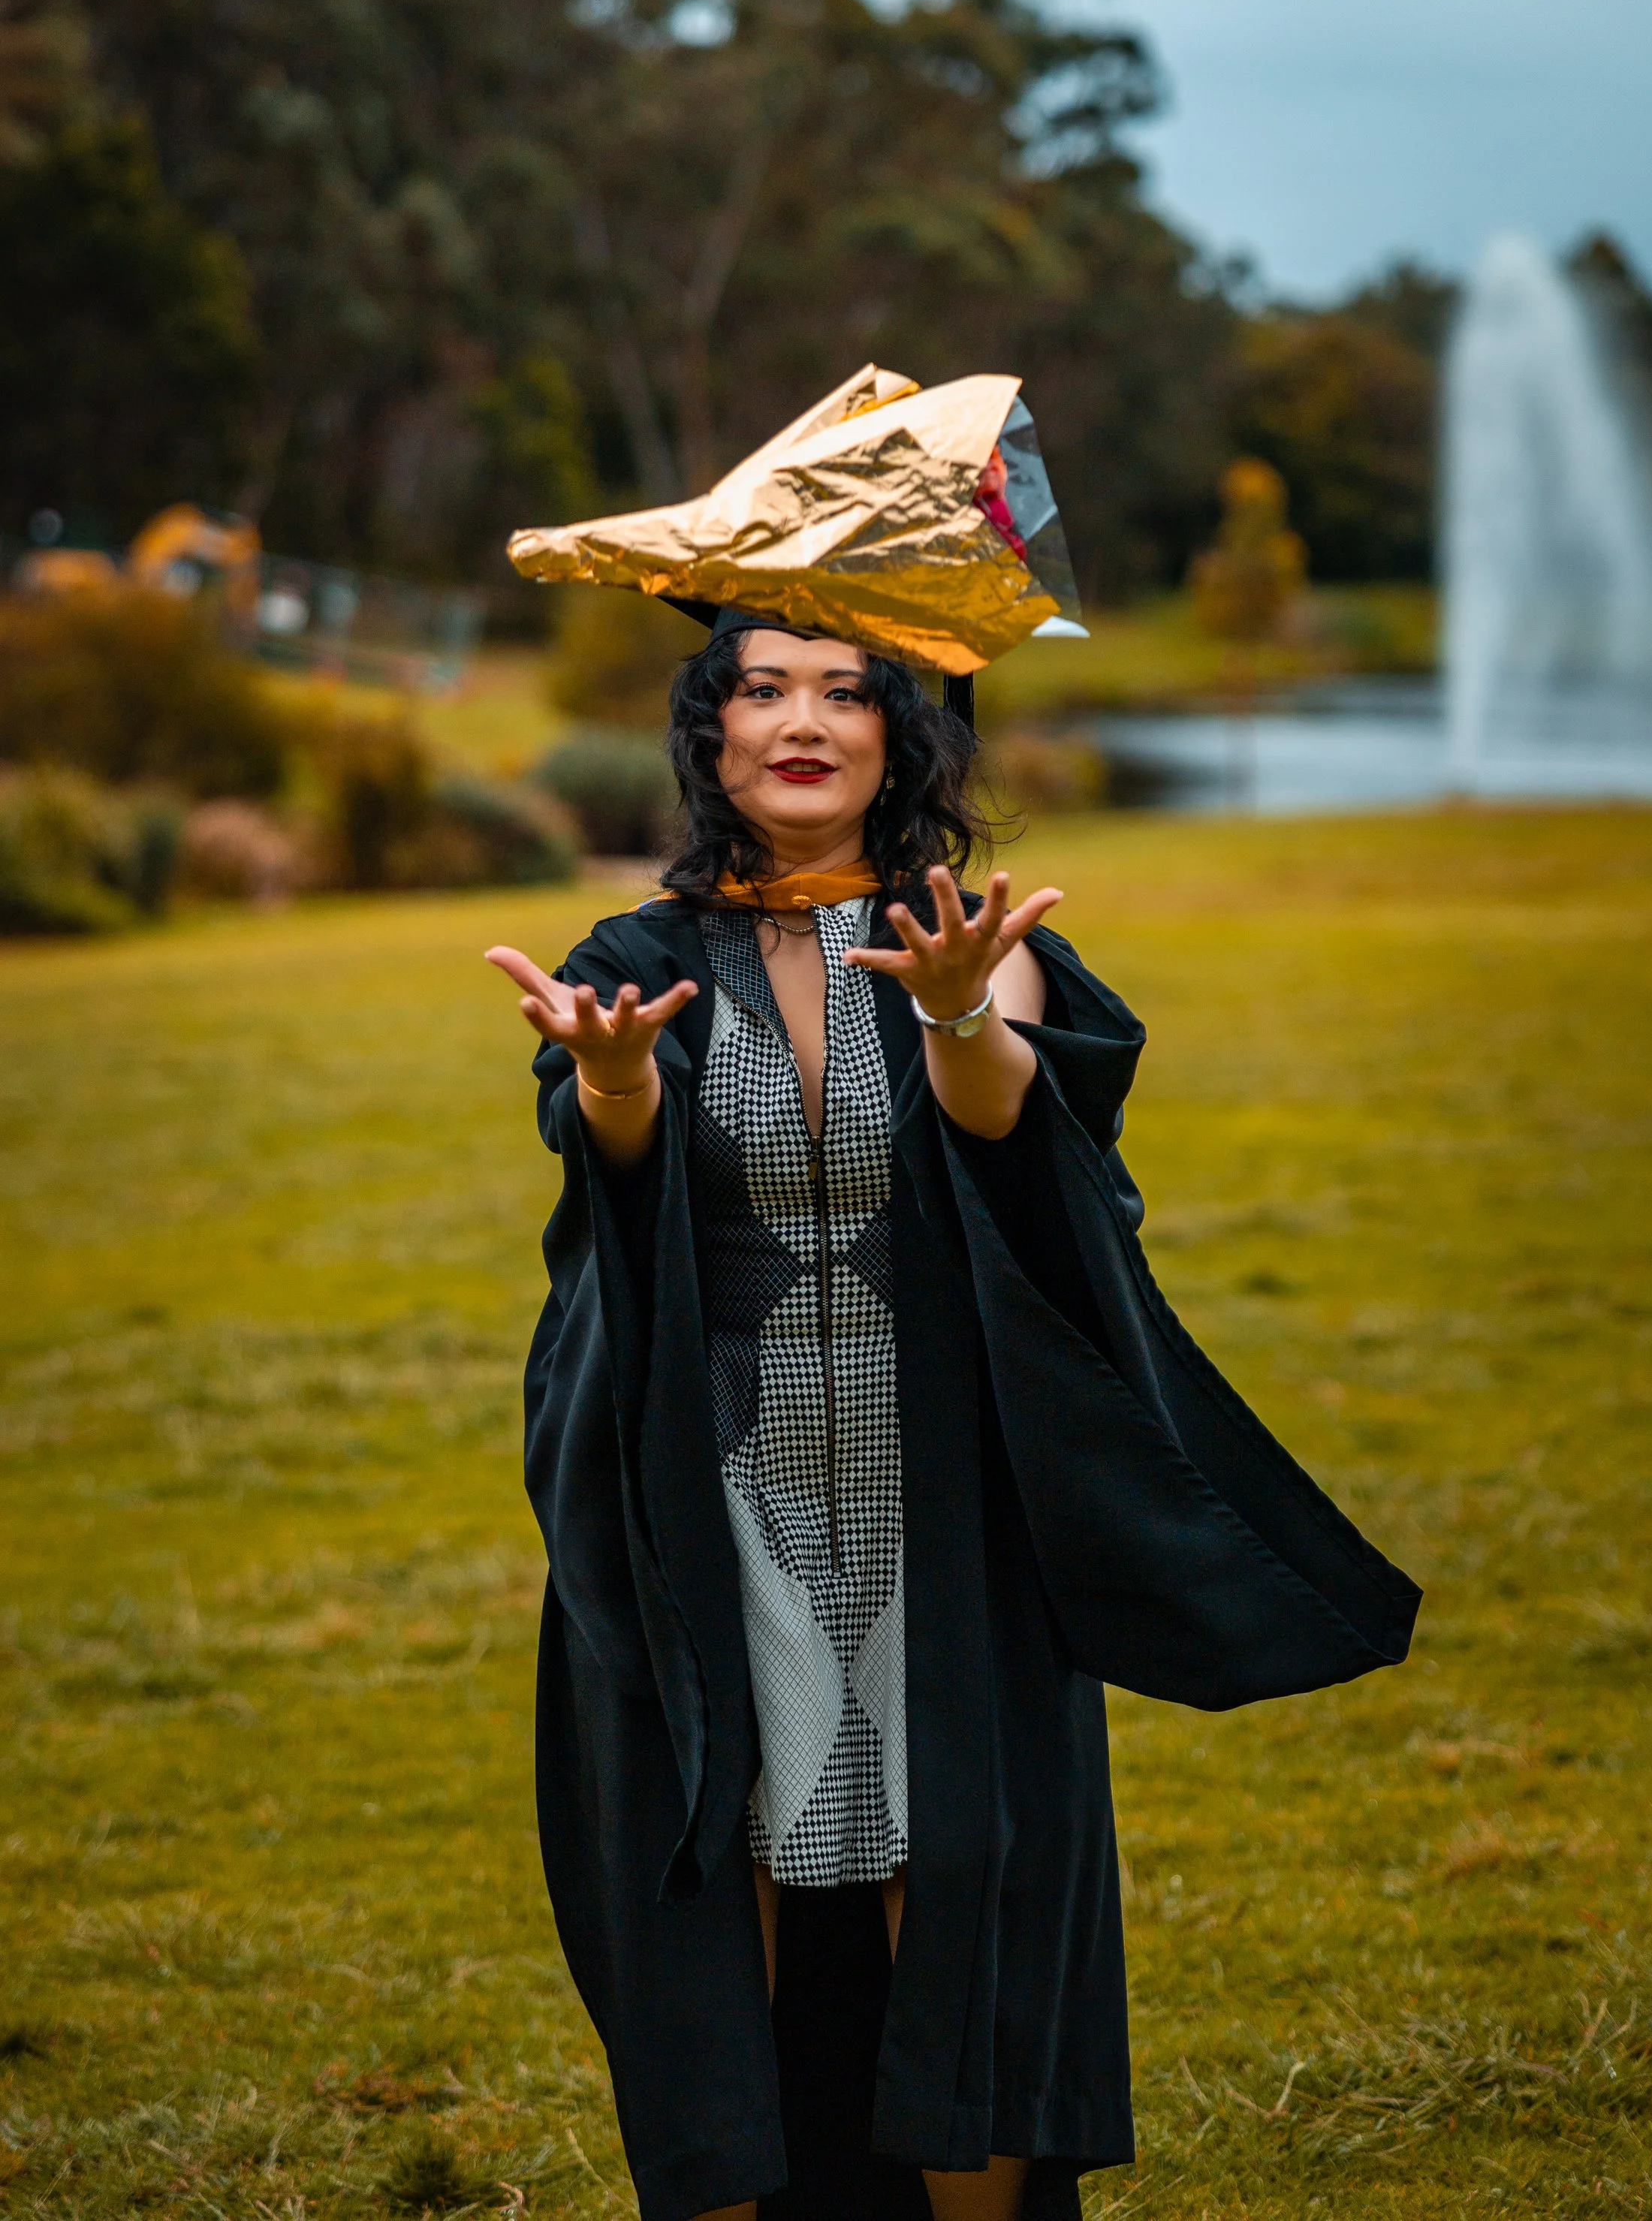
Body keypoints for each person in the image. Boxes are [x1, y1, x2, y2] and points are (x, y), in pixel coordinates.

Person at [487, 615, 1419, 2221]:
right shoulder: (633, 960)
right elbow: (603, 1151)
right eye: (760, 689)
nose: (803, 721)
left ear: (898, 739)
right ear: (707, 735)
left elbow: (1009, 1132)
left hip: (947, 1491)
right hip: (722, 1490)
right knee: (738, 1854)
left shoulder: (963, 938)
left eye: (847, 693)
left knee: (965, 1859)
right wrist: (620, 1080)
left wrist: (953, 1007)